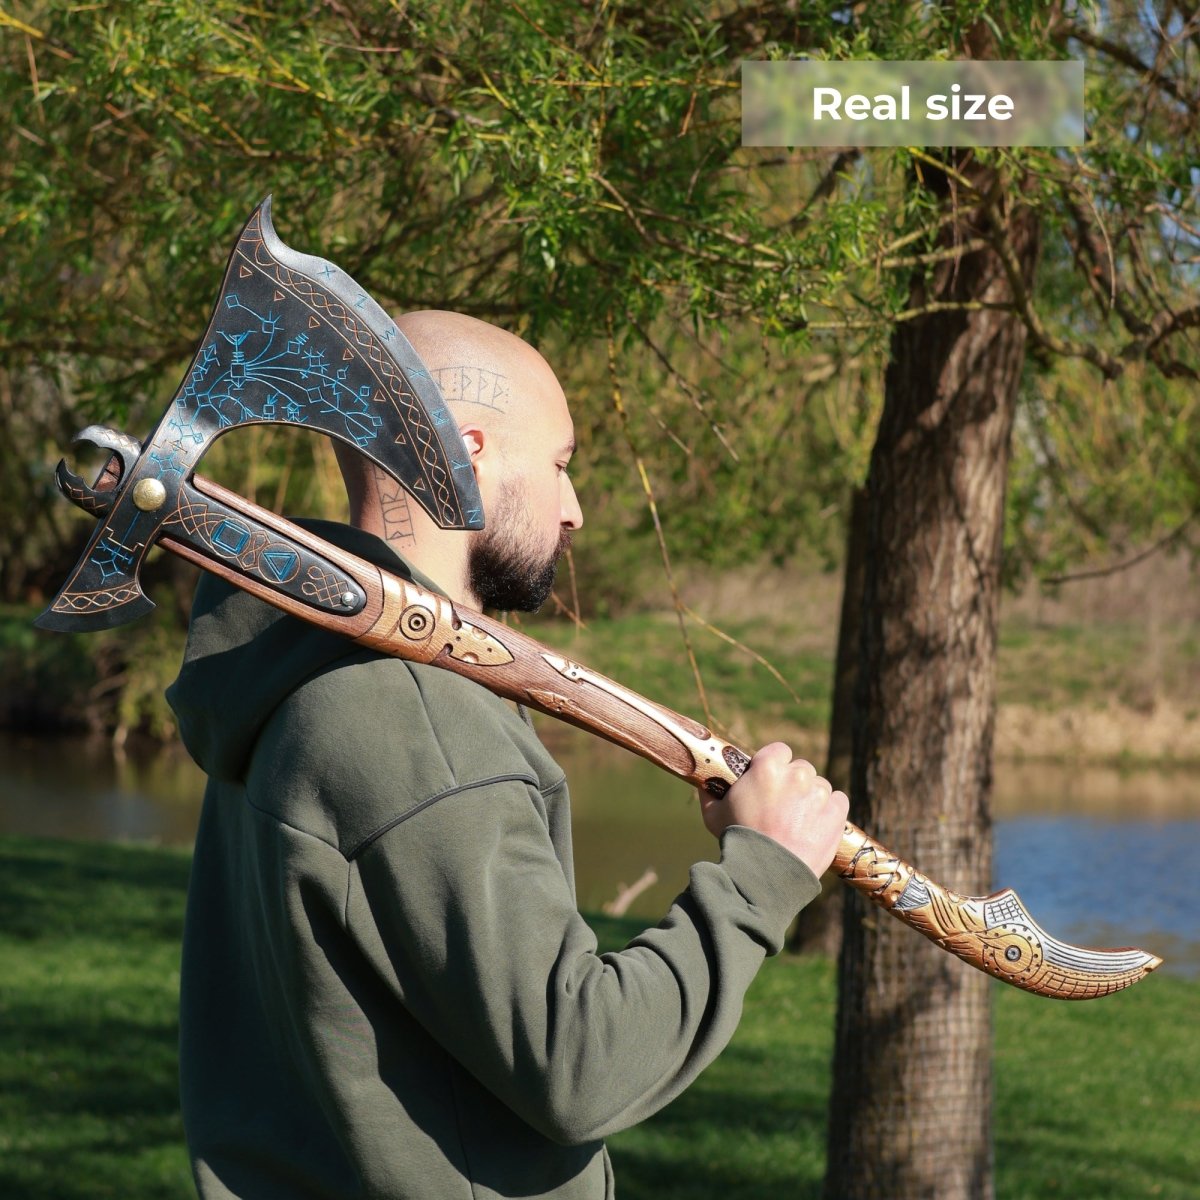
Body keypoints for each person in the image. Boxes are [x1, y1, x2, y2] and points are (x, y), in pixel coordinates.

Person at [166, 310, 849, 1200]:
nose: (575, 510)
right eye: (561, 466)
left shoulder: (299, 677)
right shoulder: (414, 719)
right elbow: (581, 1064)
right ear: (471, 454)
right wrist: (765, 873)